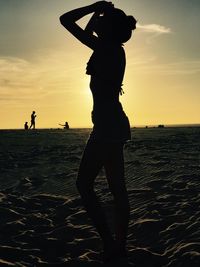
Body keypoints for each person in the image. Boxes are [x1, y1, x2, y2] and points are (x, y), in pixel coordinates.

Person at [60, 1, 136, 262]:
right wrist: (98, 12)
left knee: (84, 184)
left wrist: (95, 5)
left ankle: (110, 244)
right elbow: (88, 30)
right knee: (117, 188)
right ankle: (118, 247)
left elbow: (66, 20)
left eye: (103, 21)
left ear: (109, 29)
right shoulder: (112, 48)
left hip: (107, 126)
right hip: (113, 123)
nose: (98, 24)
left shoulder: (106, 47)